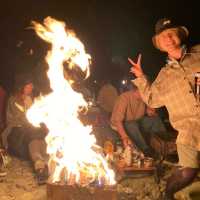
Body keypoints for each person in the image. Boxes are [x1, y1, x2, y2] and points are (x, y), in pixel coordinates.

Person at [128, 18, 200, 199]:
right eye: (162, 37)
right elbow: (152, 100)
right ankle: (168, 195)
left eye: (171, 33)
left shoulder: (198, 54)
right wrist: (141, 76)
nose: (168, 38)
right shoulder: (165, 76)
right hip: (188, 130)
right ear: (159, 45)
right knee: (188, 173)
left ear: (180, 35)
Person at [1, 76, 48, 184]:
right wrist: (29, 109)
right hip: (14, 133)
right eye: (28, 86)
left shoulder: (33, 99)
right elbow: (18, 120)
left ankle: (41, 165)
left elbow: (38, 119)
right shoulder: (13, 99)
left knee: (40, 133)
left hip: (30, 134)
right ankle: (40, 167)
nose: (31, 87)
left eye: (32, 85)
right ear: (21, 87)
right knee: (33, 132)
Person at [110, 81, 167, 158]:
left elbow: (147, 112)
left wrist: (151, 111)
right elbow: (118, 121)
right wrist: (124, 137)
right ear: (138, 89)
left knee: (155, 120)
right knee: (132, 125)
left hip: (135, 122)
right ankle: (146, 150)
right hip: (119, 125)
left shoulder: (144, 99)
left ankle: (164, 146)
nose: (148, 92)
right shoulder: (124, 98)